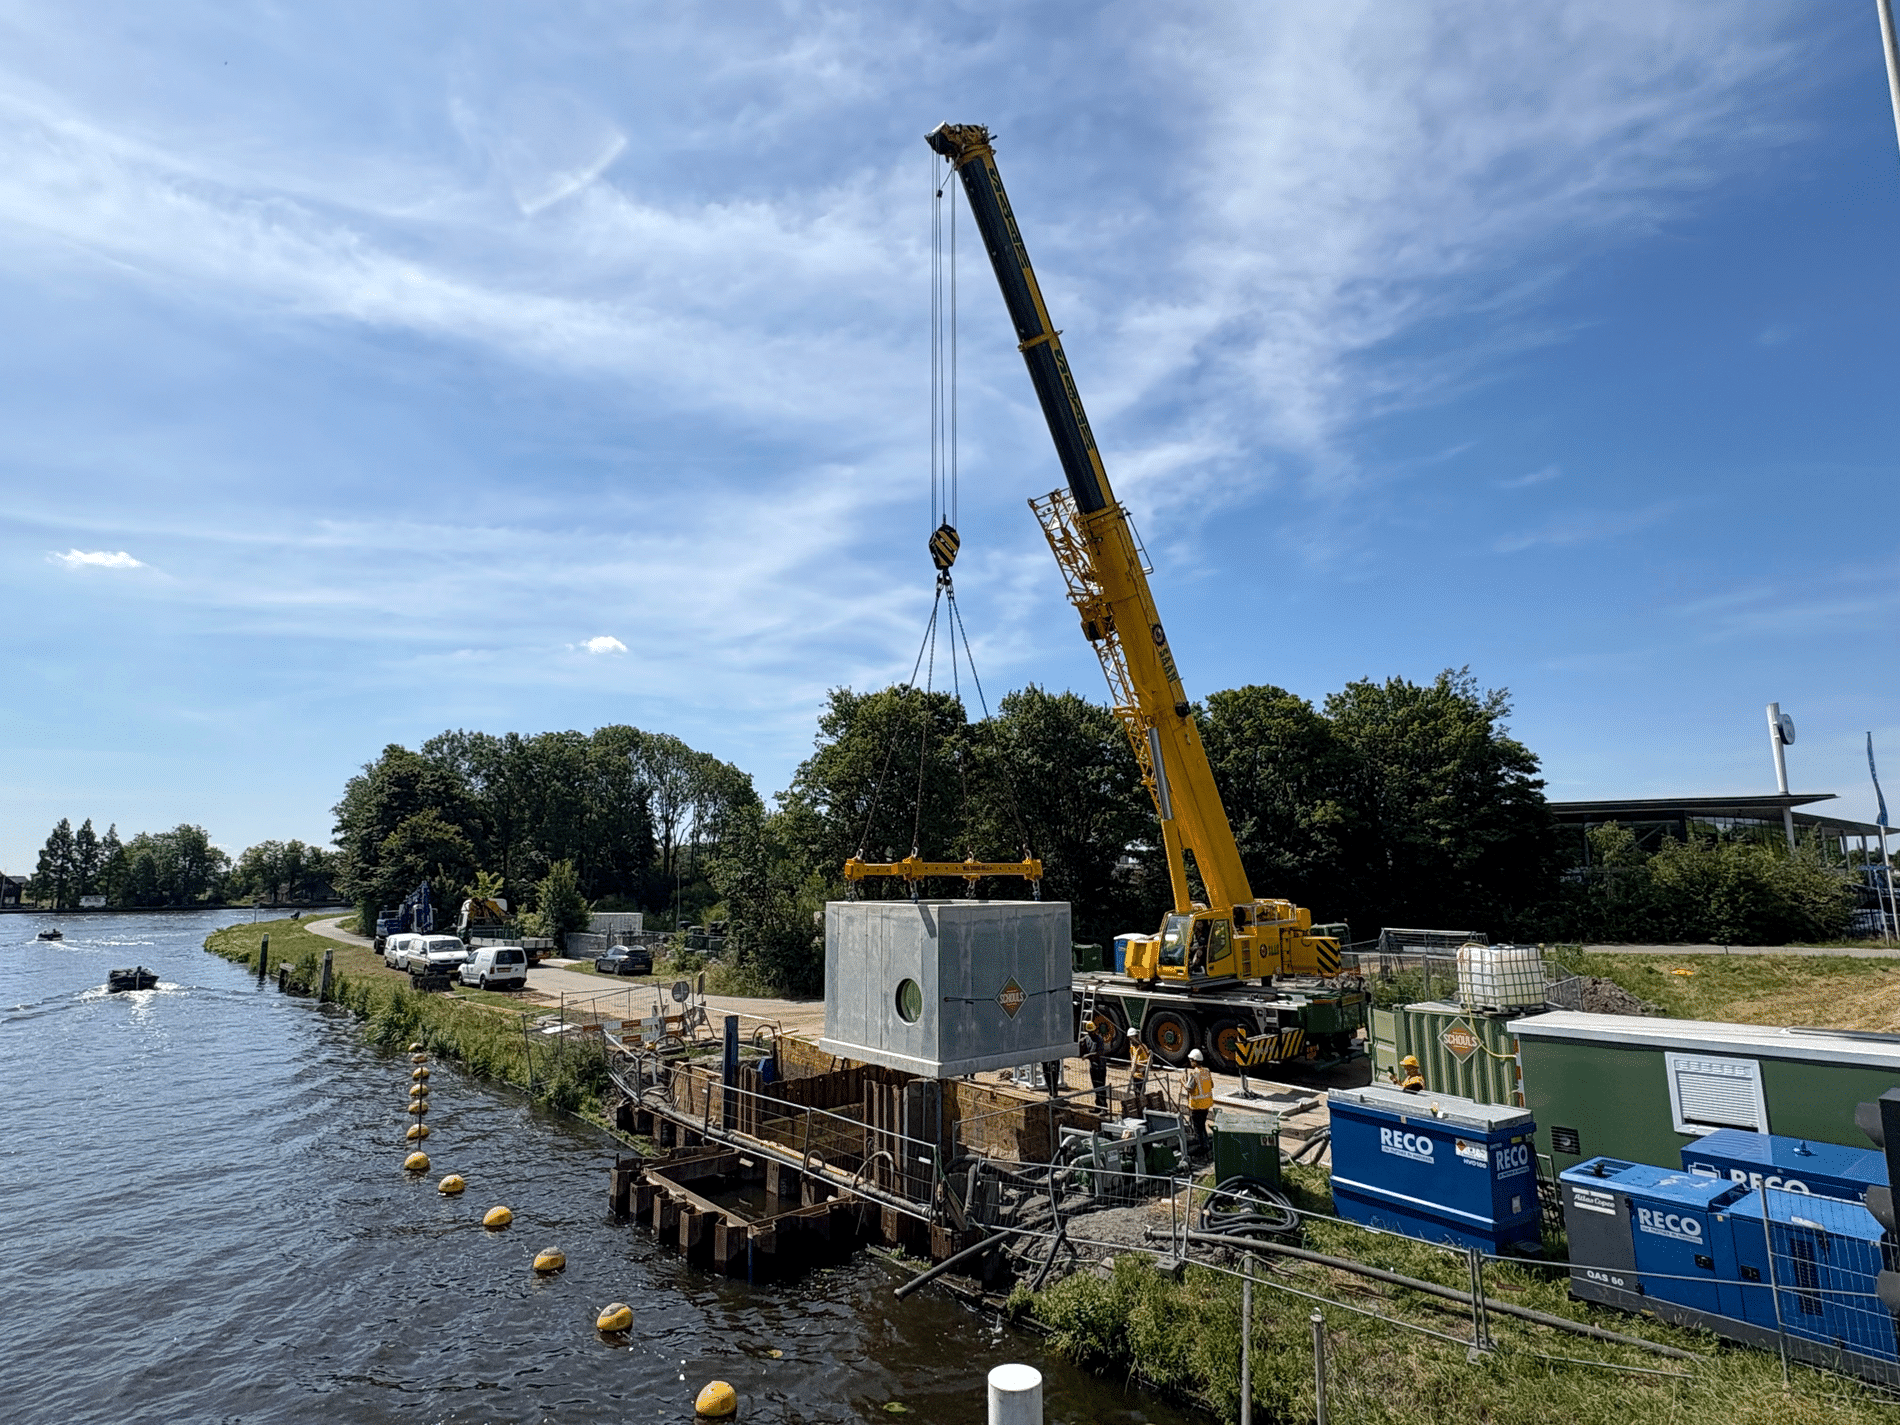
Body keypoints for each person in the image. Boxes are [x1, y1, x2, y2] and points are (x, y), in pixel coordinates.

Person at [1079, 1017, 1111, 1111]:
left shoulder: (1099, 1039)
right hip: (1093, 1067)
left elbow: (1098, 1053)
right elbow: (1082, 1046)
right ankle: (1098, 1106)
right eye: (1090, 1032)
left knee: (1101, 1087)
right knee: (1096, 1087)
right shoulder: (1087, 1038)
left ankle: (1104, 1108)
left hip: (1100, 1067)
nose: (1092, 1033)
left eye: (1092, 1031)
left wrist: (1087, 1056)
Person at [1186, 1048, 1214, 1151]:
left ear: (1194, 1061)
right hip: (1206, 1105)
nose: (1190, 1062)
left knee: (1198, 1128)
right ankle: (1206, 1143)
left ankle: (1201, 1147)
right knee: (1202, 1126)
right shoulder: (1207, 1071)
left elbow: (1189, 1088)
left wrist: (1183, 1083)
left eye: (1191, 1060)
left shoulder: (1194, 1074)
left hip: (1197, 1106)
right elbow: (1211, 1085)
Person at [1127, 1040, 1152, 1112]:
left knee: (1139, 1092)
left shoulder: (1139, 1048)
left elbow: (1136, 1062)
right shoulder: (1139, 1047)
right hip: (1139, 1074)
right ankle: (1141, 1107)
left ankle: (1141, 1108)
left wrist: (1132, 1071)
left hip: (1139, 1075)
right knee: (1139, 1092)